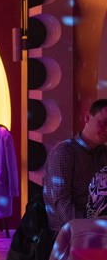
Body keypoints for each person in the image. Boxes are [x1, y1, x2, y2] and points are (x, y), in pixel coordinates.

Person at [43, 98, 107, 233]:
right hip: (67, 234)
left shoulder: (103, 153)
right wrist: (89, 229)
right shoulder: (64, 152)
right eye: (103, 123)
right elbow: (61, 204)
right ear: (87, 117)